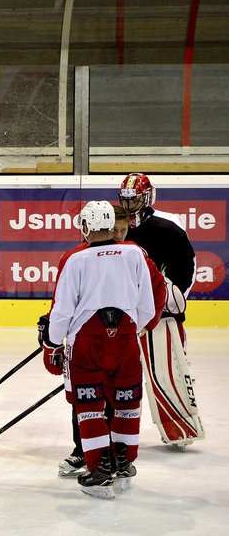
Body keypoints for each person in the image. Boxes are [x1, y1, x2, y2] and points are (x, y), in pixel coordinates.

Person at [39, 200, 157, 499]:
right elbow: (147, 304)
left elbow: (63, 310)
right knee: (126, 403)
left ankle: (99, 470)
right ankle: (124, 461)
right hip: (127, 339)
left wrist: (53, 341)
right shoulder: (134, 253)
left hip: (88, 344)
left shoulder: (77, 259)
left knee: (89, 407)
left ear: (87, 225)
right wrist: (132, 329)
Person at [119, 172, 203, 447]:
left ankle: (180, 428)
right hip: (126, 316)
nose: (130, 206)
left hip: (162, 316)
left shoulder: (168, 227)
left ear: (147, 197)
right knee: (123, 376)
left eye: (135, 199)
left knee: (169, 373)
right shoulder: (116, 227)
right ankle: (120, 428)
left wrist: (174, 297)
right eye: (126, 200)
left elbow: (186, 266)